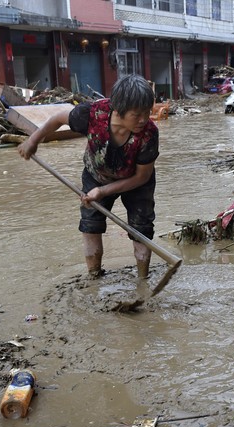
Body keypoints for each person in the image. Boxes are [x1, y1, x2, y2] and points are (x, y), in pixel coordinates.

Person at [17, 74, 159, 280]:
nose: (144, 119)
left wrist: (103, 192)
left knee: (141, 228)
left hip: (135, 183)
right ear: (118, 110)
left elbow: (141, 177)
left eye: (147, 112)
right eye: (137, 115)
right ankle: (94, 278)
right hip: (96, 175)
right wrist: (33, 141)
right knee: (91, 225)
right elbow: (57, 118)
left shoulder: (148, 134)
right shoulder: (92, 114)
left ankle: (143, 282)